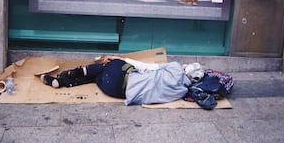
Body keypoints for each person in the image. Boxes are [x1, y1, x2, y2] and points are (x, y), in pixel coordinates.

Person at [40, 56, 191, 106]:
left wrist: (118, 59)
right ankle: (62, 82)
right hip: (117, 92)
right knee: (97, 77)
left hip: (122, 78)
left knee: (107, 65)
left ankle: (74, 73)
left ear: (186, 69)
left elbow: (147, 66)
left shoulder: (175, 68)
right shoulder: (182, 92)